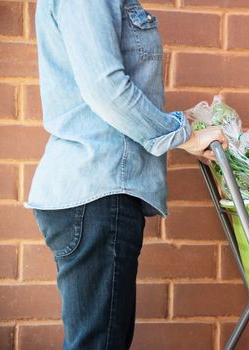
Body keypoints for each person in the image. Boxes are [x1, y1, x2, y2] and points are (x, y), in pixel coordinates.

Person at [25, 1, 227, 349]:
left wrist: (183, 126)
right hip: (98, 191)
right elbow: (105, 87)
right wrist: (182, 135)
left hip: (96, 191)